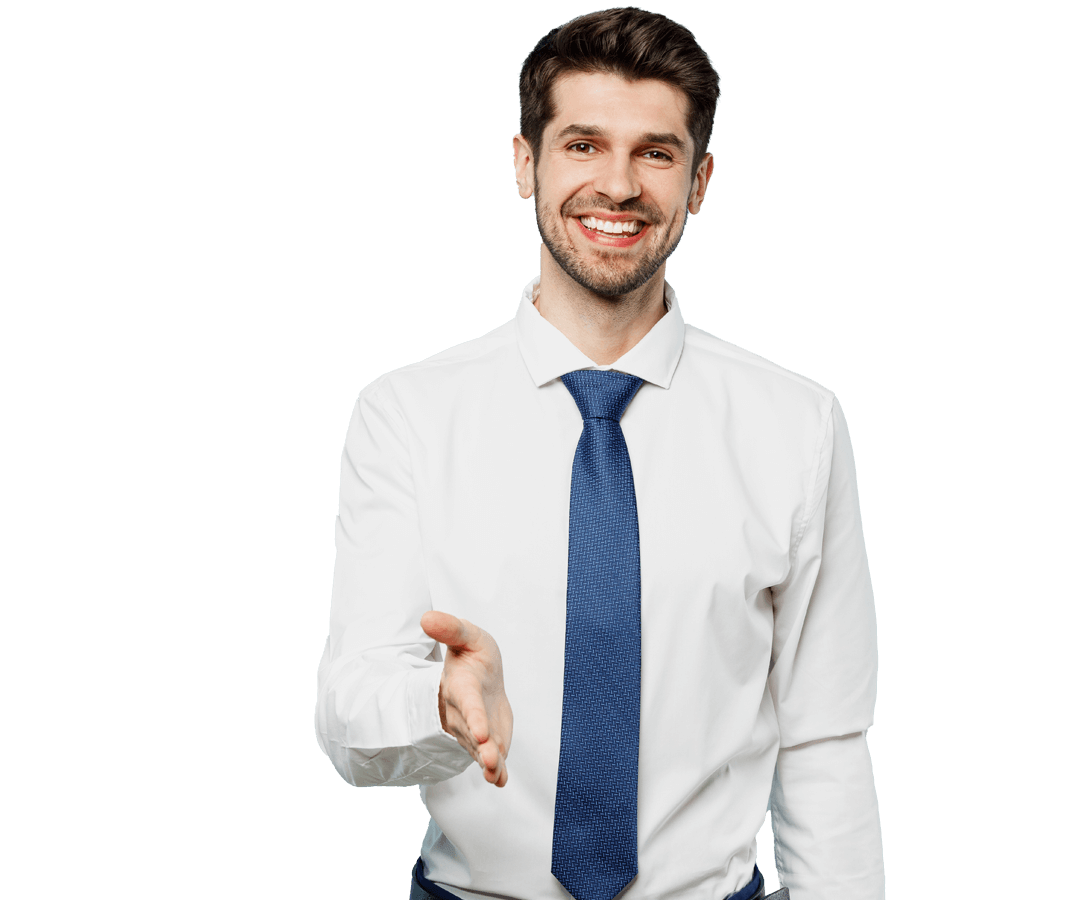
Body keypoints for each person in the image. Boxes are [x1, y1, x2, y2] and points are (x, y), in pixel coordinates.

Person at [315, 8, 883, 900]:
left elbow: (825, 737)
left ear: (699, 183)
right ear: (524, 163)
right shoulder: (408, 415)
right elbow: (349, 718)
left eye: (656, 154)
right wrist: (439, 705)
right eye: (583, 145)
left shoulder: (797, 424)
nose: (617, 187)